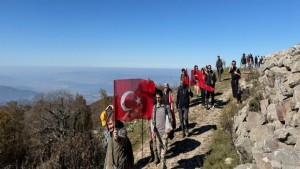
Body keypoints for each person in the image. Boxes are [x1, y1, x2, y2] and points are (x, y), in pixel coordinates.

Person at [151, 90, 173, 169]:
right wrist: (152, 131)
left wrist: (167, 133)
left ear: (162, 97)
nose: (157, 99)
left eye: (159, 97)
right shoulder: (154, 108)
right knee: (159, 153)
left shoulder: (166, 107)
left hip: (164, 133)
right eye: (156, 98)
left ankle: (163, 165)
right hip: (157, 134)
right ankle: (164, 166)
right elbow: (152, 120)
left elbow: (170, 119)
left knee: (163, 154)